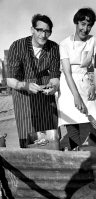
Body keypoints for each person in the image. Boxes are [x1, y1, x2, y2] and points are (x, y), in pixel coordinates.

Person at [7, 14, 61, 148]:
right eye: (39, 30)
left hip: (45, 96)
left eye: (47, 31)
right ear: (32, 29)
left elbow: (54, 76)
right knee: (28, 137)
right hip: (23, 97)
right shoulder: (18, 46)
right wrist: (25, 86)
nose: (43, 35)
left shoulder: (53, 47)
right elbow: (10, 80)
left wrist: (53, 87)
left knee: (48, 136)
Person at [57, 7, 96, 150]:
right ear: (76, 23)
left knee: (93, 119)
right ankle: (77, 152)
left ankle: (93, 152)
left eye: (89, 25)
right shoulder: (64, 44)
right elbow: (67, 72)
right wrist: (76, 96)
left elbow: (95, 65)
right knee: (72, 119)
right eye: (83, 24)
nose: (85, 29)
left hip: (86, 81)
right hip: (69, 85)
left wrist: (94, 85)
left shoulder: (93, 40)